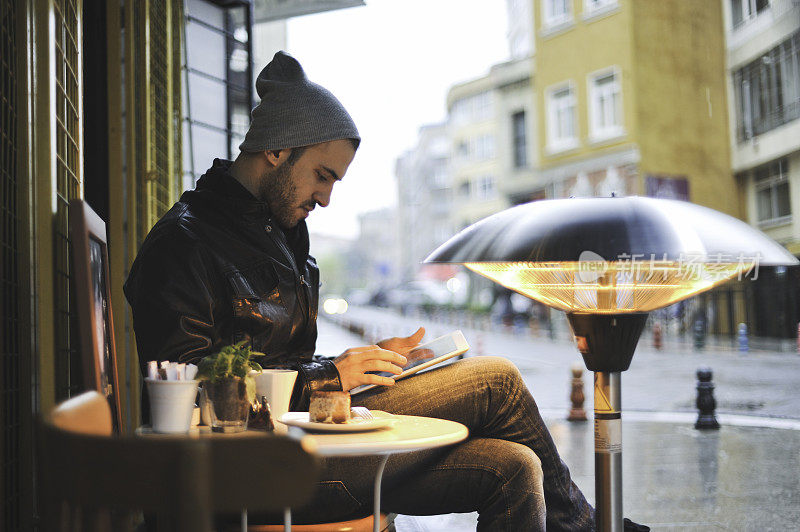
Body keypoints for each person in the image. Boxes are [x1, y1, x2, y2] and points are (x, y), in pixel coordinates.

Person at [124, 51, 648, 531]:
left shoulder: (279, 236)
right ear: (278, 149)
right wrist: (330, 373)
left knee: (517, 466)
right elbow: (188, 389)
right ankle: (594, 528)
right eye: (322, 176)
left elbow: (274, 360)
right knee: (498, 382)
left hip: (313, 440)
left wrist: (366, 363)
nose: (326, 198)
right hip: (264, 472)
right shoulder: (183, 243)